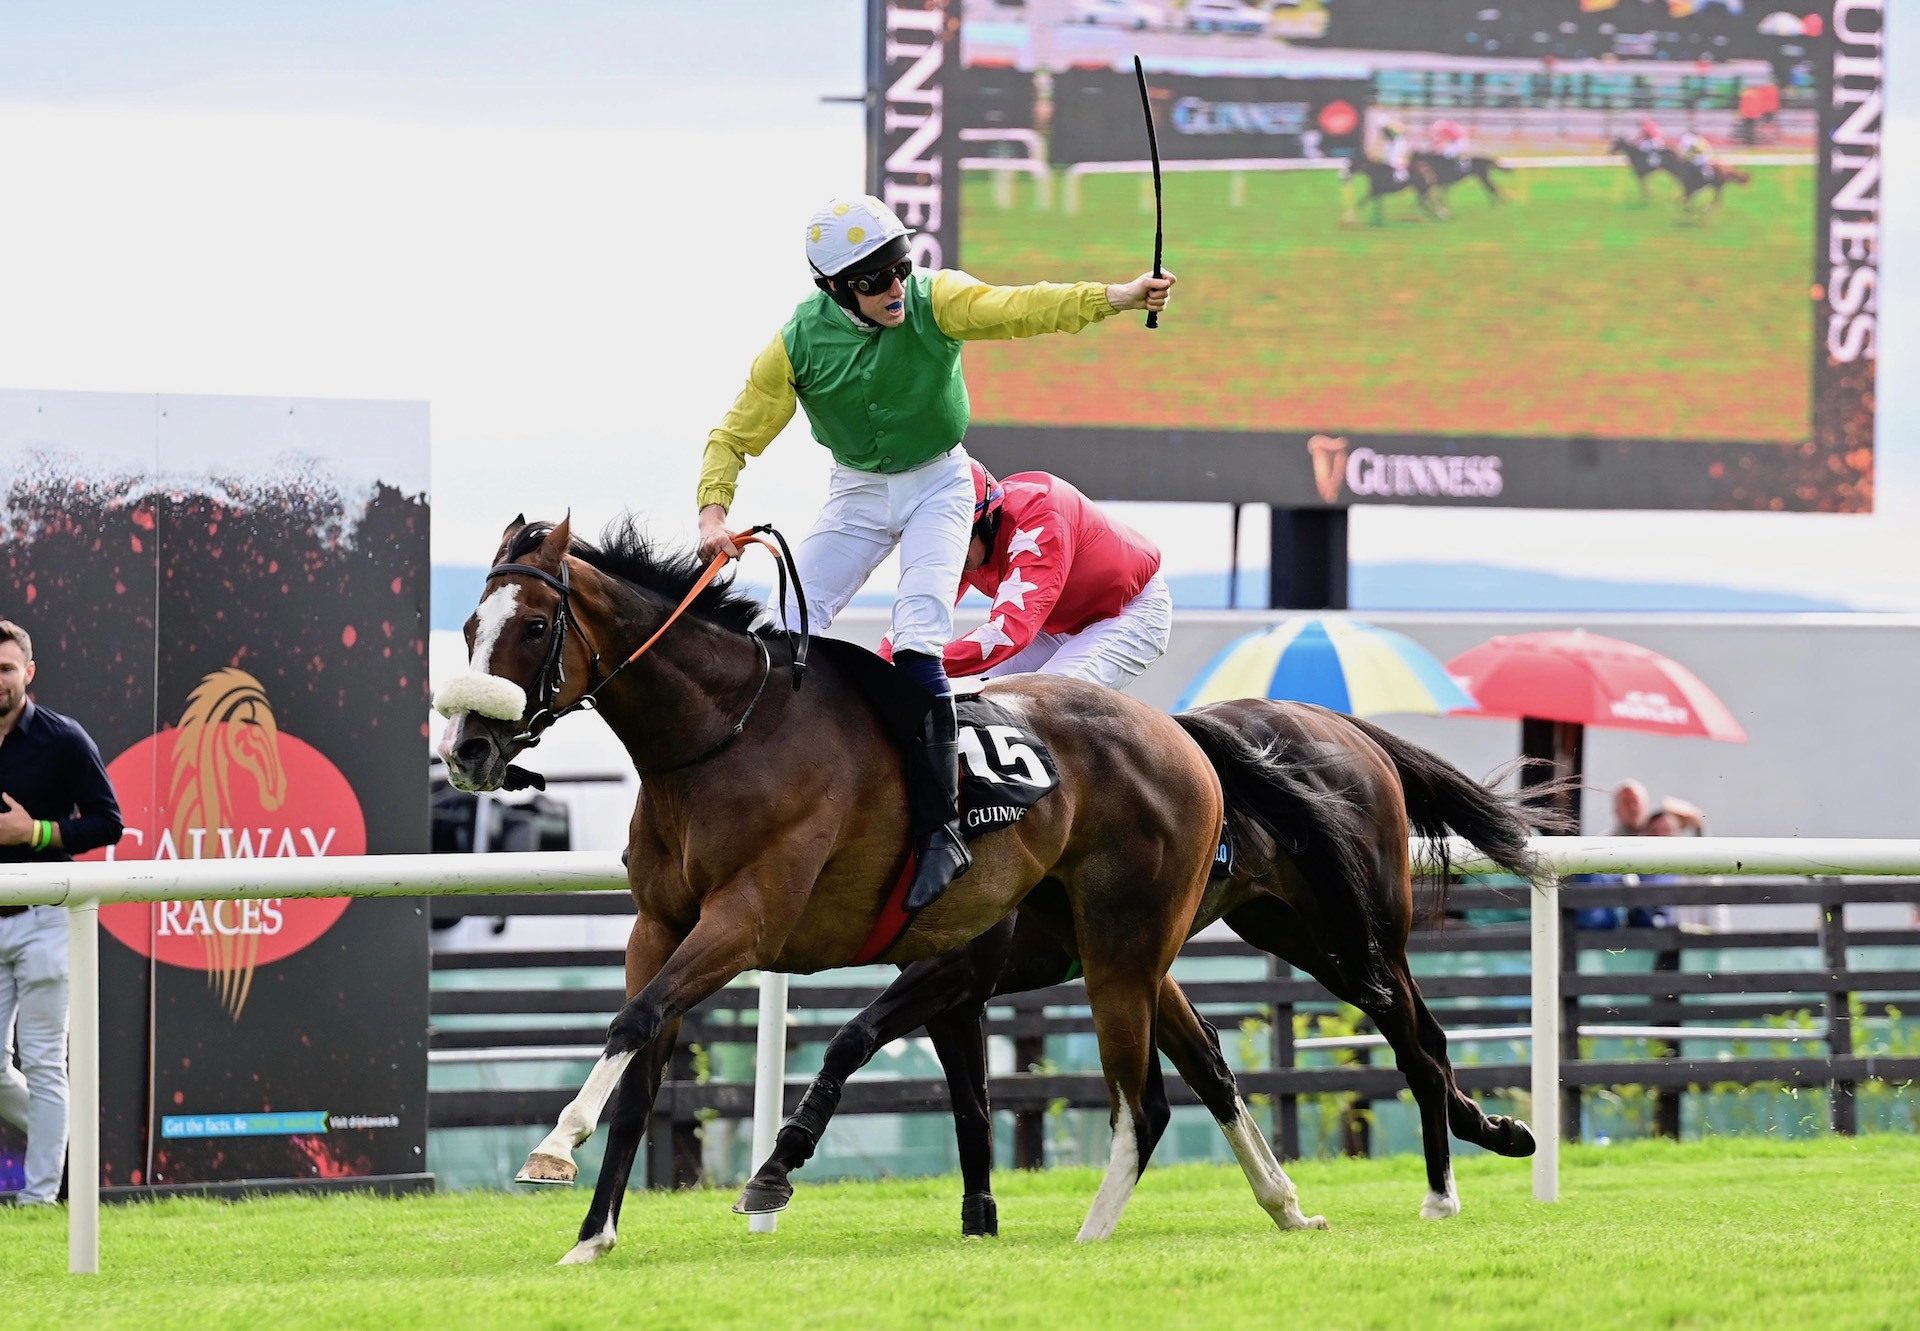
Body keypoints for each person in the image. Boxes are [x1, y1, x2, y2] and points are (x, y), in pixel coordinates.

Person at [695, 194, 1174, 912]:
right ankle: (748, 785)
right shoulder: (796, 342)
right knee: (779, 625)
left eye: (901, 266)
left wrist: (1120, 295)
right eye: (875, 279)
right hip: (856, 491)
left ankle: (940, 829)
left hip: (940, 484)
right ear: (833, 290)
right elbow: (735, 435)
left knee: (921, 634)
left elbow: (1021, 308)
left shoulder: (935, 298)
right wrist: (712, 514)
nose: (896, 287)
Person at [0, 619, 124, 1206]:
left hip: (48, 917)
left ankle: (40, 1197)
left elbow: (108, 823)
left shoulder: (65, 738)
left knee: (46, 1063)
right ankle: (68, 1141)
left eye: (5, 669)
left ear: (29, 672)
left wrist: (36, 832)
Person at [882, 462, 1172, 690]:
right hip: (1051, 625)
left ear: (989, 519)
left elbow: (1008, 632)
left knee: (1047, 704)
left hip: (1128, 613)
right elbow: (917, 613)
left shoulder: (1039, 519)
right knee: (979, 699)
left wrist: (917, 664)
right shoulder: (964, 539)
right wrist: (879, 664)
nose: (949, 555)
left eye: (956, 540)